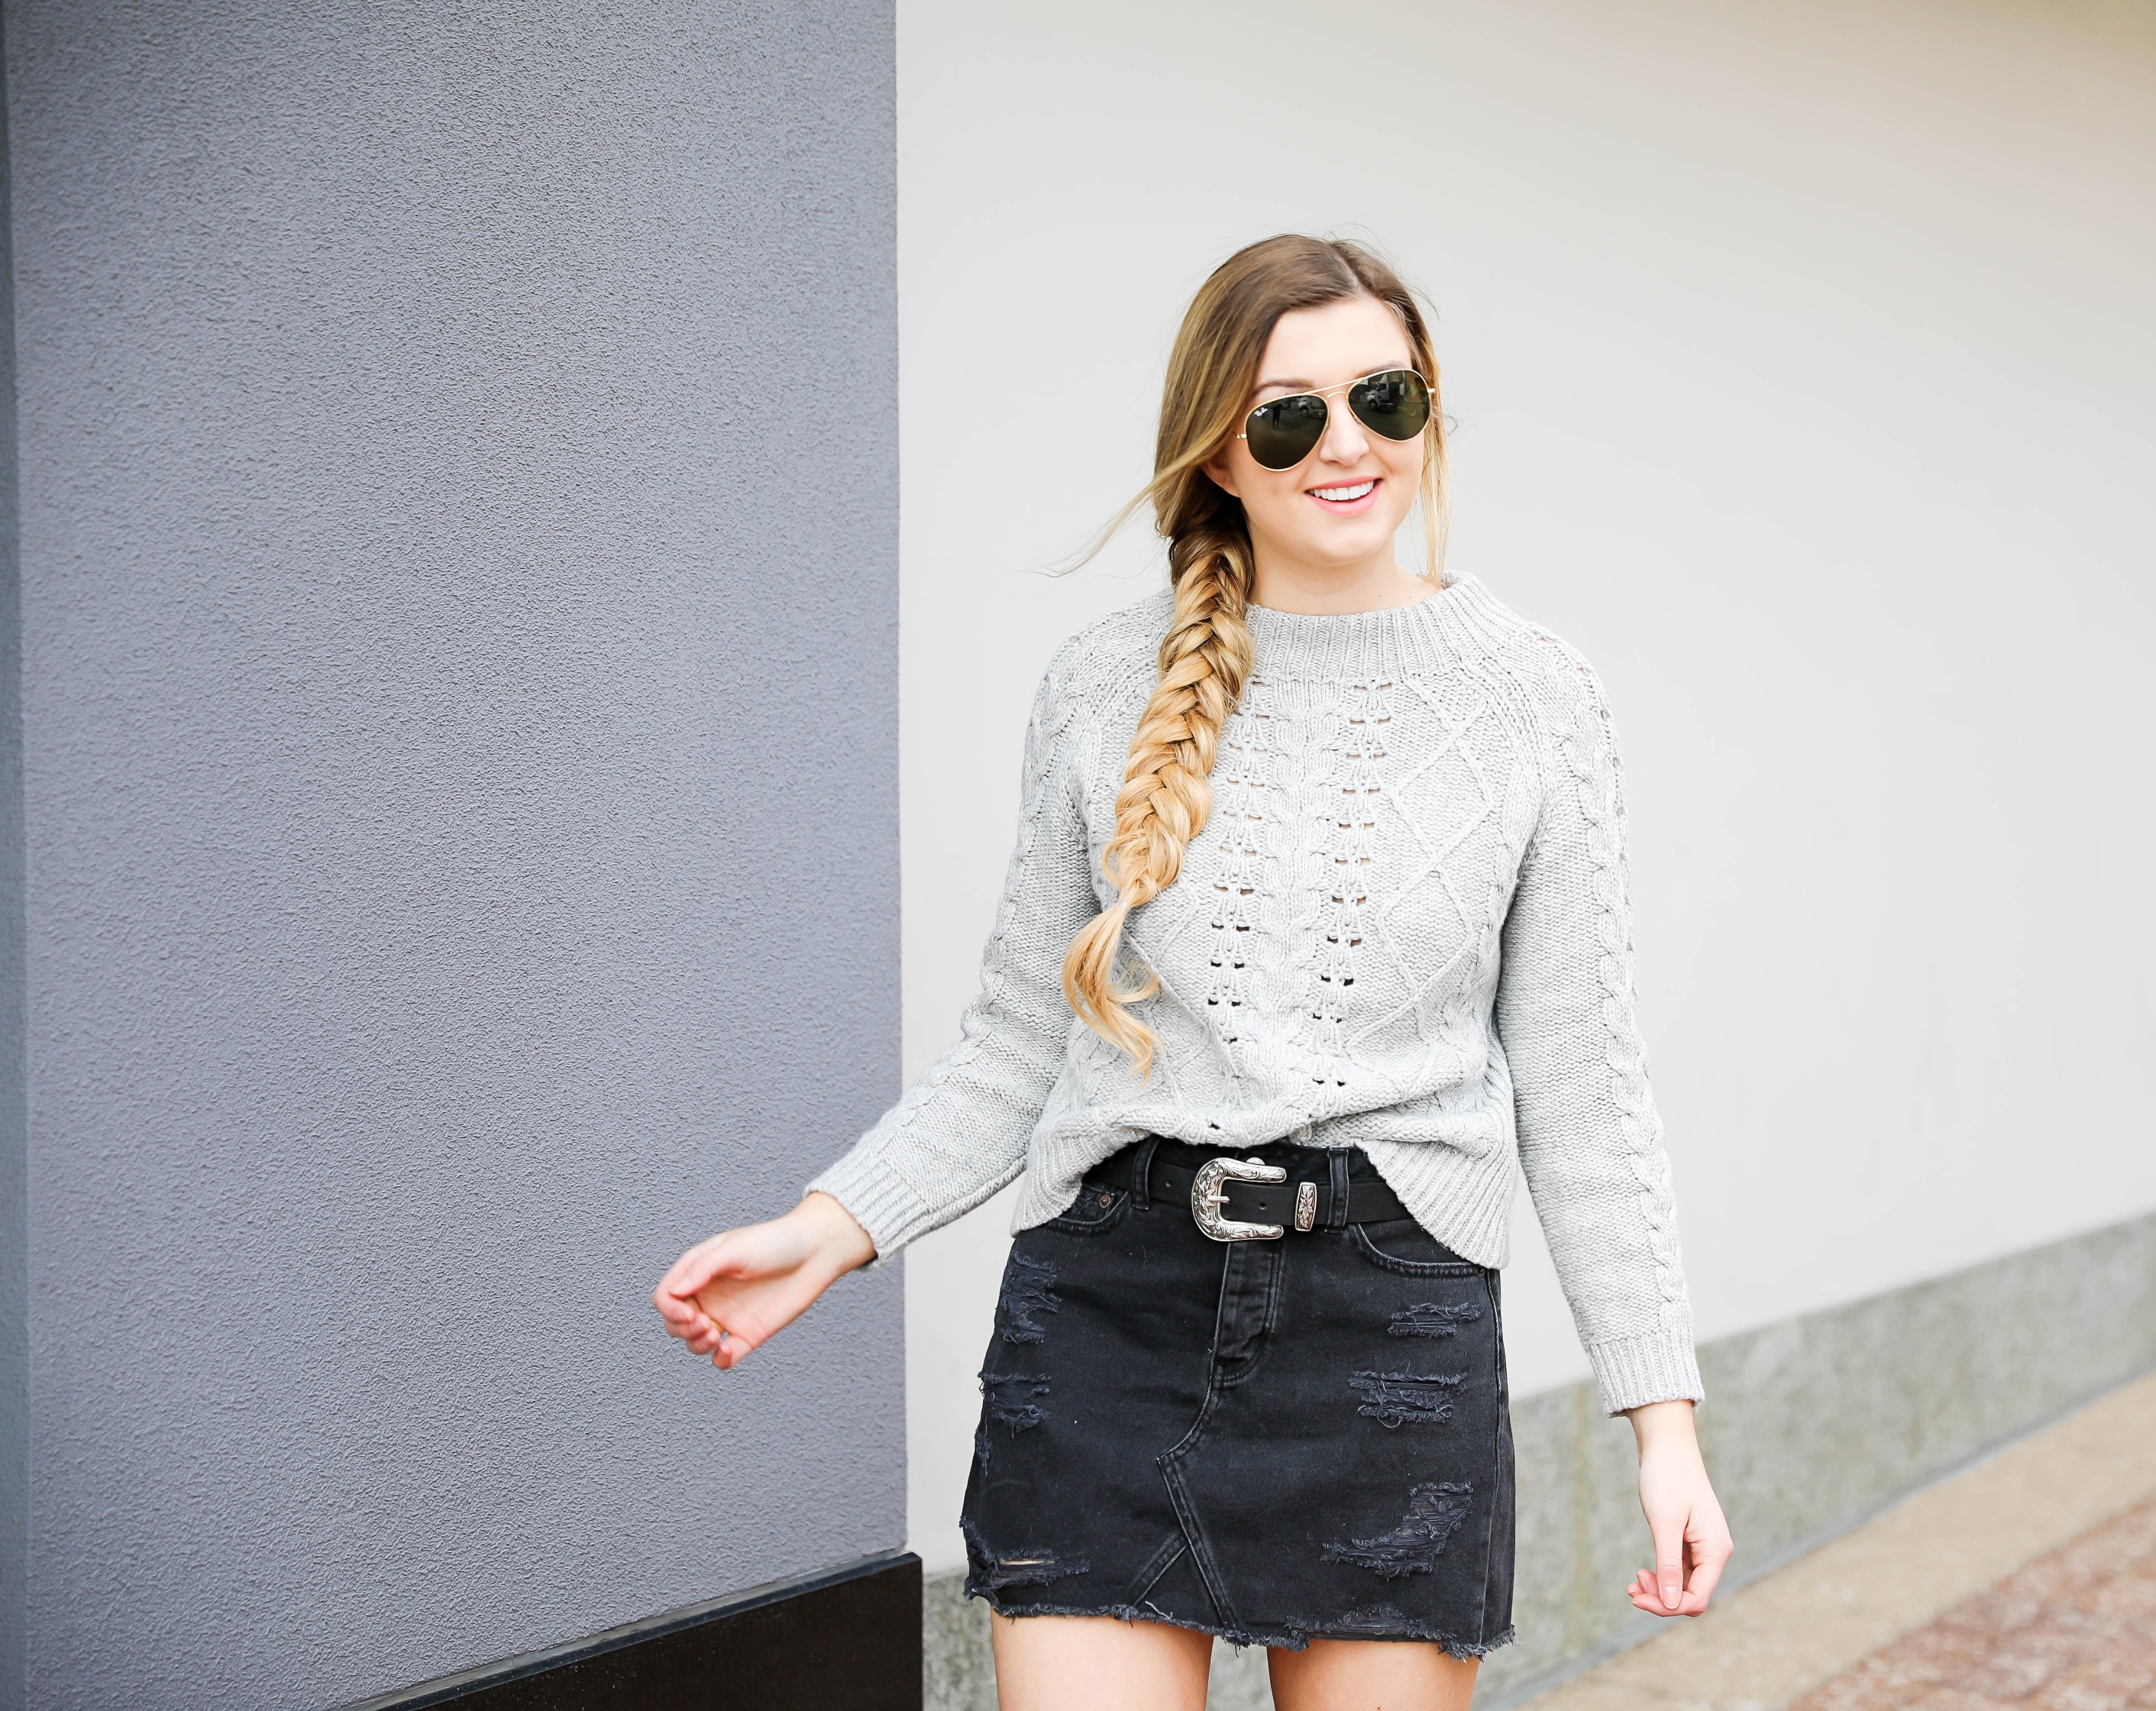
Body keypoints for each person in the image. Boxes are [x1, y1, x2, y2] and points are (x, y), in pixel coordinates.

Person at [654, 234, 1728, 1711]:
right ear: (1219, 449)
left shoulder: (1536, 696)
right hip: (1108, 1319)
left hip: (1392, 1334)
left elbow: (1587, 1097)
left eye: (1383, 400)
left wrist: (1662, 1426)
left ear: (1428, 411)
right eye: (1288, 414)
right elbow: (1015, 1051)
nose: (1344, 445)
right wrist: (828, 1231)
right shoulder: (1104, 686)